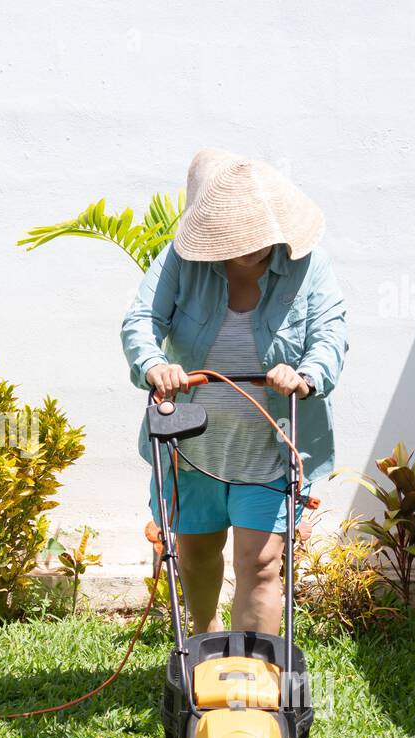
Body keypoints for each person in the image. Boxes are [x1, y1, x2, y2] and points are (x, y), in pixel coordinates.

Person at [122, 147, 347, 636]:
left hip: (271, 445)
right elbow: (141, 321)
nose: (249, 246)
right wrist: (155, 365)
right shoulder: (181, 262)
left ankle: (255, 681)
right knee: (198, 554)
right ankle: (203, 647)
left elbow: (331, 335)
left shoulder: (311, 267)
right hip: (191, 447)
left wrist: (305, 376)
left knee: (261, 562)